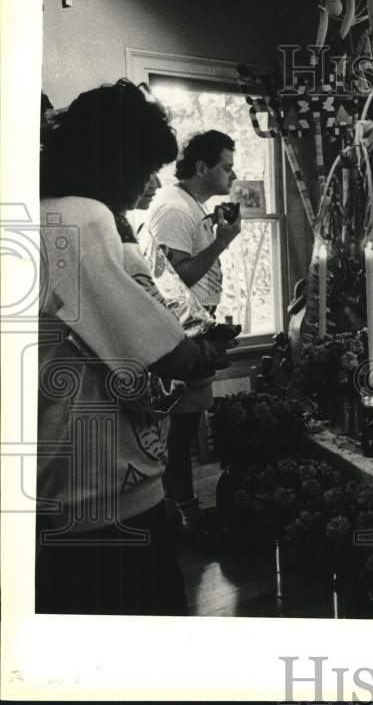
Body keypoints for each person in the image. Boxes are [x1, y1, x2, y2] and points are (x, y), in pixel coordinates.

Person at [37, 79, 230, 615]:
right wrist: (198, 355)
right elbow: (167, 354)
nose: (147, 183)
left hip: (60, 481)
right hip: (99, 488)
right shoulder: (80, 218)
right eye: (143, 167)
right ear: (113, 160)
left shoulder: (45, 211)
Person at [147, 129, 240, 537]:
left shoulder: (191, 206)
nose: (232, 175)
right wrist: (221, 243)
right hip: (181, 334)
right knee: (180, 432)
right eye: (226, 166)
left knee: (186, 428)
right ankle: (186, 514)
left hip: (198, 329)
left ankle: (181, 508)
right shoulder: (174, 209)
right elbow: (175, 278)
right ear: (201, 167)